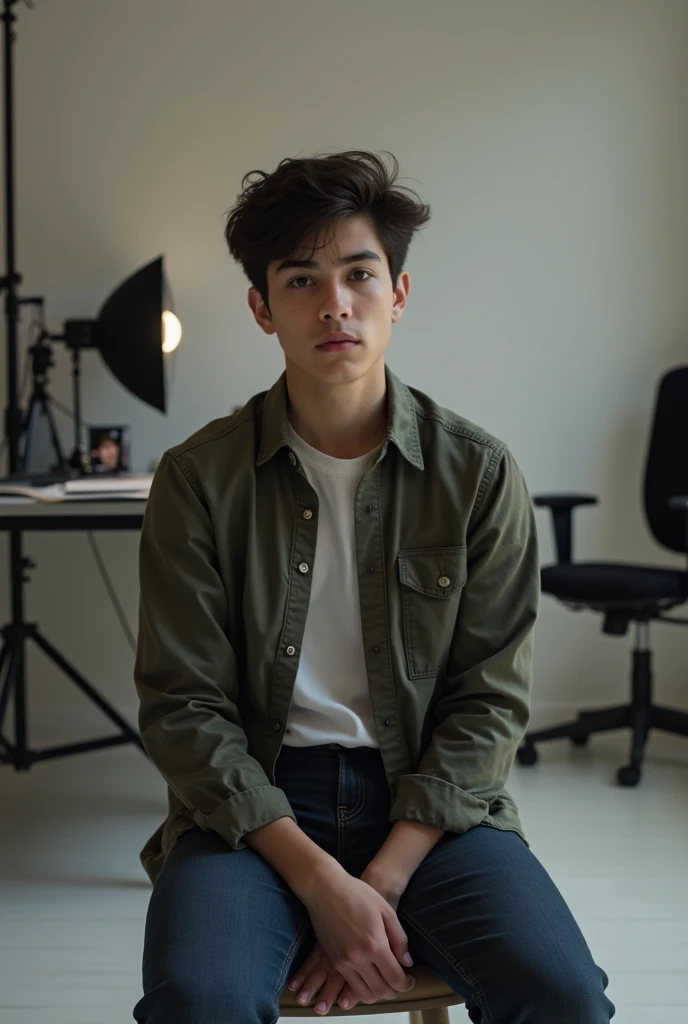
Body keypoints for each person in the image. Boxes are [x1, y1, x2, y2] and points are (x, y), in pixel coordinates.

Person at [132, 150, 615, 1023]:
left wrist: (379, 881)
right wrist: (320, 881)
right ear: (261, 307)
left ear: (398, 293)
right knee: (199, 1001)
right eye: (301, 280)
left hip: (430, 806)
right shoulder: (198, 479)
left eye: (359, 275)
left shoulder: (477, 473)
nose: (334, 305)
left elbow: (489, 703)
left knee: (564, 996)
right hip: (254, 807)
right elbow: (183, 706)